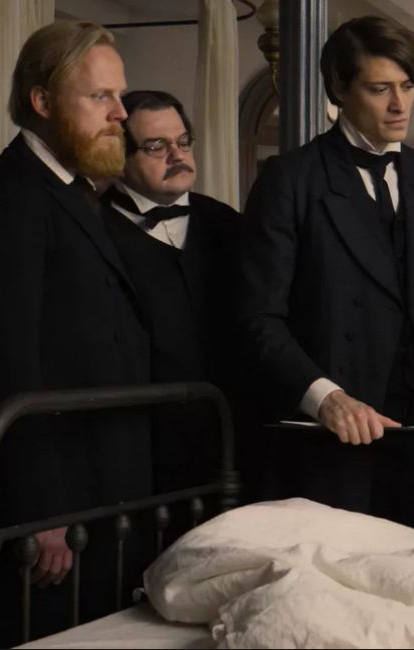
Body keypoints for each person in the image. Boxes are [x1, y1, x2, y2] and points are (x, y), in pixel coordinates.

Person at [238, 16, 414, 538]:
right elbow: (259, 319)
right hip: (336, 441)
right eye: (380, 89)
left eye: (407, 86)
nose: (400, 104)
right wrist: (325, 397)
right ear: (339, 89)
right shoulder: (291, 180)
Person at [0, 21, 151, 642]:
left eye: (119, 96)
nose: (120, 113)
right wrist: (40, 511)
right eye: (100, 97)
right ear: (42, 101)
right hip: (56, 512)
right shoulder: (9, 198)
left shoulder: (68, 190)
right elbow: (2, 364)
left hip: (97, 491)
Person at [99, 90, 241, 499]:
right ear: (119, 156)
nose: (177, 155)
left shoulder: (230, 224)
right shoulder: (93, 230)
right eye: (156, 146)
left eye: (182, 142)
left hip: (230, 444)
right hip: (137, 452)